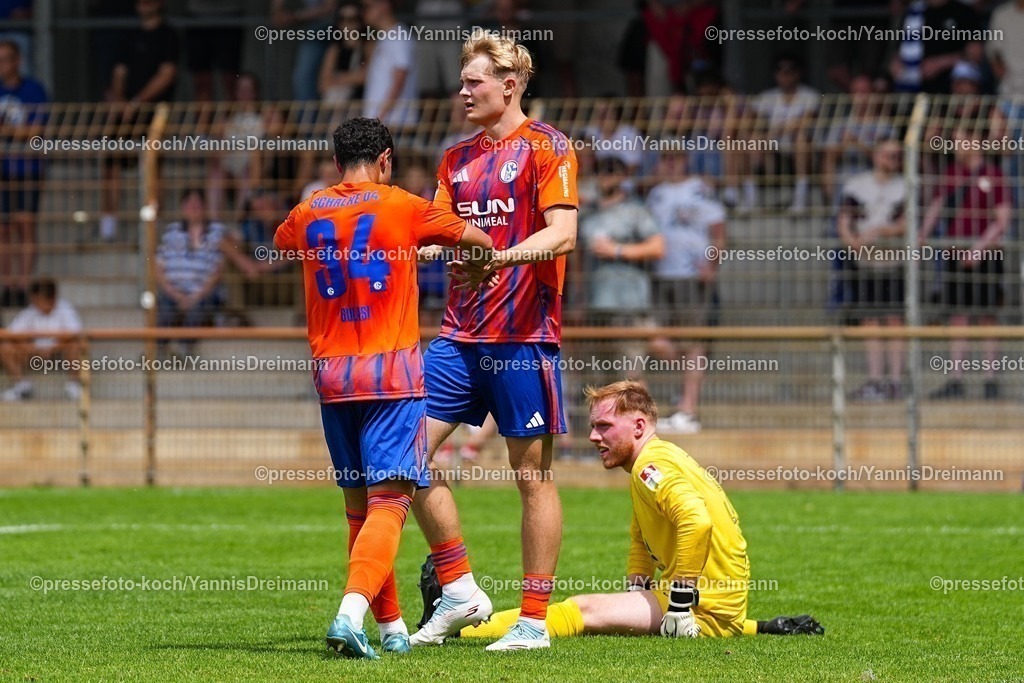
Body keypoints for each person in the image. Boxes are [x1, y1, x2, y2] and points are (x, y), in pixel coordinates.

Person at [272, 117, 492, 660]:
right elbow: (478, 237)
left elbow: (282, 243)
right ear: (386, 159)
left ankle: (390, 626)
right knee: (390, 503)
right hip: (391, 374)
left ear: (334, 163)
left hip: (331, 375)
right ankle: (351, 614)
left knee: (358, 510)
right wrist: (476, 266)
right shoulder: (403, 206)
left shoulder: (307, 211)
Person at [420, 381, 825, 641]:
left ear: (638, 426)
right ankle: (461, 621)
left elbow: (697, 522)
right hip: (716, 606)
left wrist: (680, 605)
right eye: (593, 426)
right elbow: (641, 534)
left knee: (581, 610)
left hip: (702, 609)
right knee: (602, 608)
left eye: (604, 426)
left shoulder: (652, 467)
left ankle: (462, 631)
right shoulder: (654, 463)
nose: (594, 436)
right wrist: (637, 592)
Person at [410, 30, 579, 652]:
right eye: (462, 81)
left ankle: (533, 621)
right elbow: (440, 233)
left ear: (509, 85)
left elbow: (562, 235)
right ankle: (459, 591)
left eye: (474, 82)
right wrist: (412, 248)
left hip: (523, 336)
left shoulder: (549, 148)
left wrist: (498, 259)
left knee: (531, 477)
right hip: (457, 335)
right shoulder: (455, 159)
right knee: (402, 453)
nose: (462, 92)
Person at [921, 127, 1011, 400]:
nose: (956, 146)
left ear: (977, 142)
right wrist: (922, 235)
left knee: (986, 316)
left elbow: (1003, 219)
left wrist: (979, 249)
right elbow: (937, 206)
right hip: (953, 252)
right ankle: (956, 379)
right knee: (958, 316)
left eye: (961, 141)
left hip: (986, 255)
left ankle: (990, 380)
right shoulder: (951, 172)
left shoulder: (993, 174)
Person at [646, 150, 726, 435]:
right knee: (654, 337)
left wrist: (712, 264)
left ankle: (688, 408)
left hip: (691, 276)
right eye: (665, 158)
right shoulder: (655, 193)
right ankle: (687, 384)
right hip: (658, 275)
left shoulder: (700, 189)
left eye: (675, 158)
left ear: (685, 160)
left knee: (694, 341)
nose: (670, 163)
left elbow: (718, 231)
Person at [100, 0, 179, 242]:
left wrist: (136, 102)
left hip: (155, 112)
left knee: (152, 163)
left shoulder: (169, 35)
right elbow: (119, 73)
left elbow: (167, 74)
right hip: (125, 113)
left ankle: (153, 224)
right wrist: (121, 101)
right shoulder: (129, 36)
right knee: (111, 159)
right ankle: (108, 225)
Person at [838, 140, 907, 401]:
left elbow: (907, 222)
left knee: (895, 320)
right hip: (865, 263)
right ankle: (876, 381)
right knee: (870, 320)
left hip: (894, 261)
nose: (893, 159)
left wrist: (880, 232)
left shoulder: (904, 185)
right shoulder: (857, 185)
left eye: (897, 155)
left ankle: (896, 382)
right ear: (876, 156)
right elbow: (844, 222)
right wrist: (854, 244)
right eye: (888, 154)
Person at [0, 39, 47, 309]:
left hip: (28, 168)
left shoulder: (34, 90)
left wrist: (7, 132)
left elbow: (34, 131)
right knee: (4, 229)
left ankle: (23, 283)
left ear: (18, 61)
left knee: (25, 225)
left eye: (7, 58)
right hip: (3, 170)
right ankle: (7, 285)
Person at [154, 189, 229, 357]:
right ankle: (157, 350)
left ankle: (183, 348)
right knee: (164, 307)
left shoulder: (216, 232)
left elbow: (218, 269)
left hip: (202, 291)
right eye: (189, 203)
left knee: (201, 306)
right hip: (173, 290)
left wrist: (196, 295)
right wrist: (173, 292)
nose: (193, 208)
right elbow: (158, 265)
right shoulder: (171, 232)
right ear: (182, 208)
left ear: (204, 207)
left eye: (197, 203)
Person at [1, 279, 83, 402]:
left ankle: (73, 384)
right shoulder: (30, 311)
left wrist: (54, 347)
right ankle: (21, 384)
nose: (35, 303)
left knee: (76, 344)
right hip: (33, 353)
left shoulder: (66, 309)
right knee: (5, 346)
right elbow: (12, 333)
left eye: (38, 300)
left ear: (52, 299)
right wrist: (30, 347)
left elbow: (75, 333)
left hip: (58, 353)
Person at [361, 0, 418, 129]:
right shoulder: (386, 37)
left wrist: (380, 116)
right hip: (384, 122)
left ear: (384, 5)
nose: (363, 12)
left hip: (394, 122)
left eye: (367, 7)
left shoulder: (398, 35)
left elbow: (400, 77)